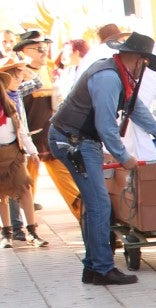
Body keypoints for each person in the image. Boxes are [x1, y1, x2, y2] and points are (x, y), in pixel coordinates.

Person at [48, 32, 156, 285]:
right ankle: (101, 268)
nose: (144, 67)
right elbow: (106, 125)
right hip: (75, 141)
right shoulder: (109, 78)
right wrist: (124, 157)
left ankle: (93, 266)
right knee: (100, 204)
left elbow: (136, 109)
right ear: (135, 57)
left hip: (77, 139)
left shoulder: (118, 74)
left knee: (95, 204)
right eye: (144, 61)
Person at [16, 30, 83, 221]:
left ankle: (89, 222)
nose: (43, 51)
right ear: (23, 51)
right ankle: (23, 228)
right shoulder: (16, 74)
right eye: (38, 48)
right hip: (26, 143)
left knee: (70, 184)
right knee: (24, 187)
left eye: (44, 47)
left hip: (52, 138)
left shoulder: (46, 71)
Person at [0, 56, 47, 248]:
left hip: (14, 154)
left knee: (25, 189)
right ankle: (7, 234)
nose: (19, 78)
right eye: (16, 74)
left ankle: (32, 231)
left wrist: (33, 151)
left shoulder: (10, 105)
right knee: (1, 195)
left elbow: (21, 131)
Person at [52, 38, 88, 108]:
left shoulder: (87, 71)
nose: (63, 55)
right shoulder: (68, 71)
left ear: (76, 53)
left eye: (66, 51)